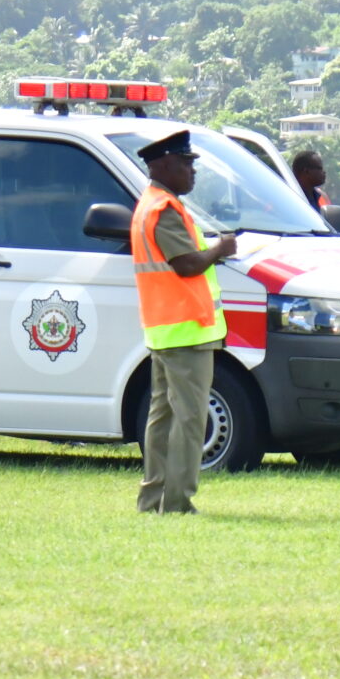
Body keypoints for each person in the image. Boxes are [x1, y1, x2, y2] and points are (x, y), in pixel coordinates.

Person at [131, 131, 239, 514]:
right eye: (185, 163)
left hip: (167, 329)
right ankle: (176, 504)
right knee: (191, 419)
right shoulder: (163, 208)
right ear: (162, 165)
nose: (192, 171)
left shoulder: (153, 205)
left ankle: (154, 499)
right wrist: (221, 250)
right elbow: (187, 264)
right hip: (185, 329)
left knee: (162, 418)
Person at [290, 149, 340, 231]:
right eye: (320, 168)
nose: (324, 172)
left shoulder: (318, 197)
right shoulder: (290, 199)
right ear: (306, 171)